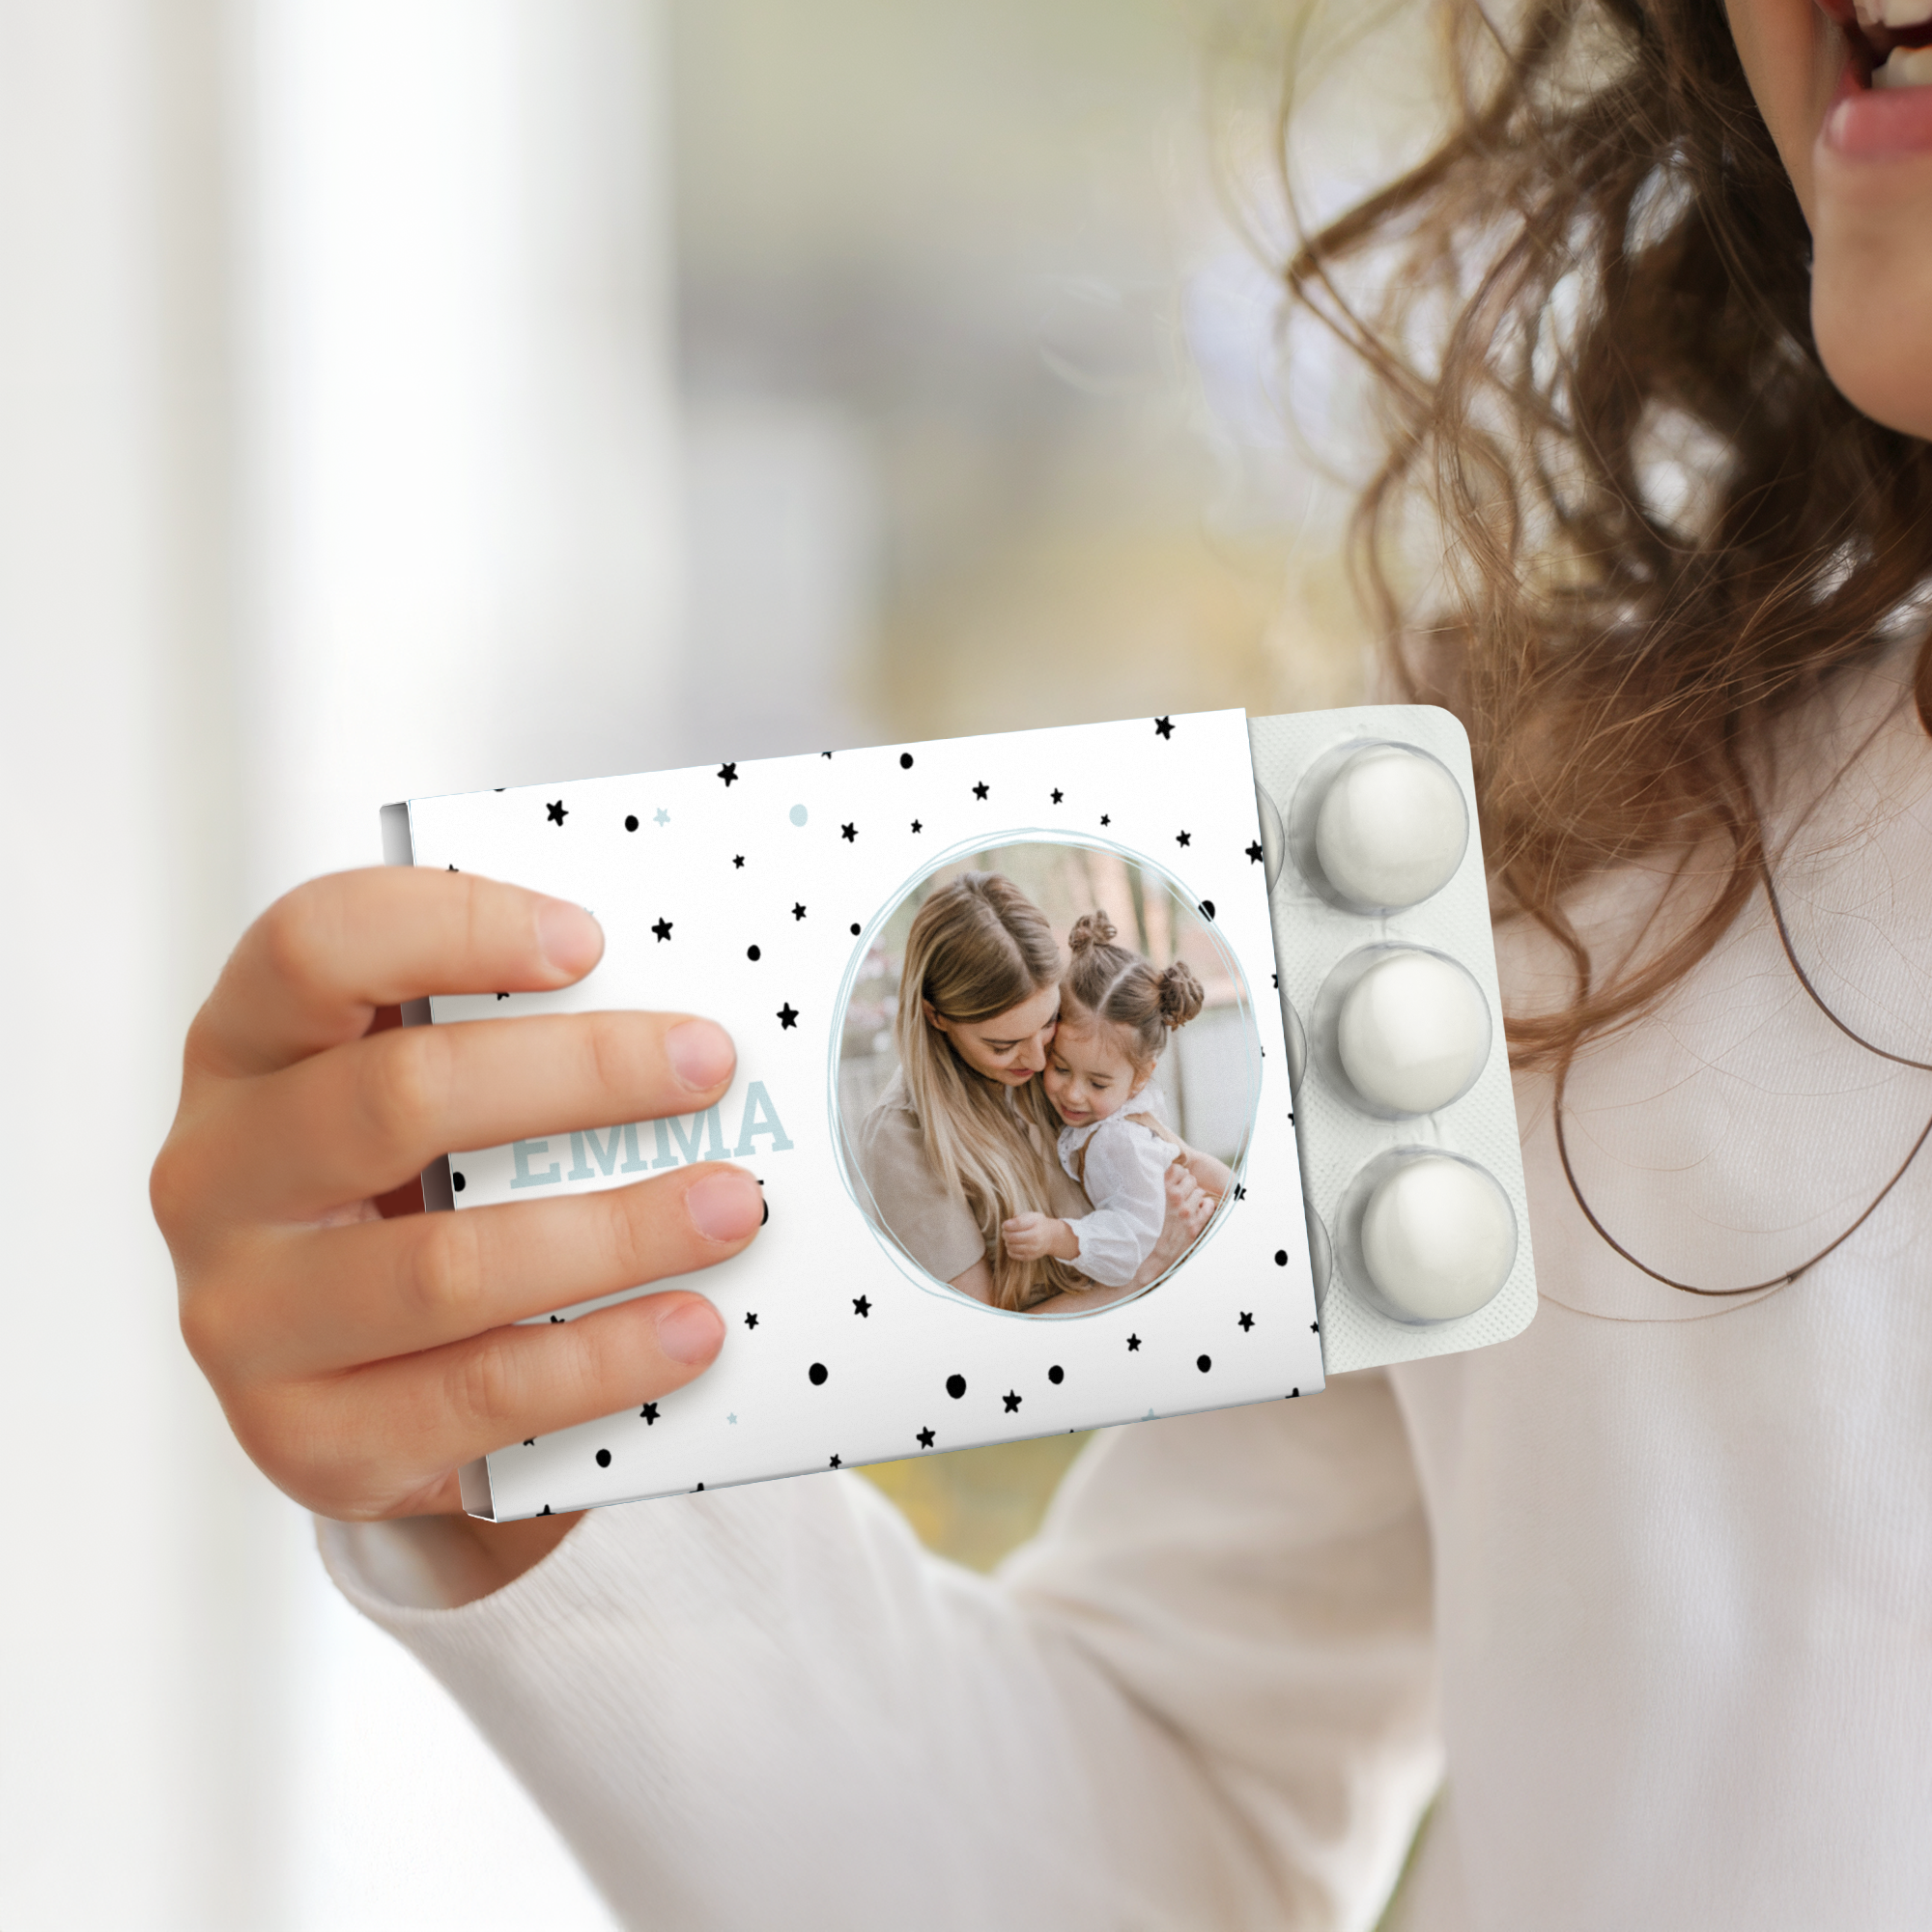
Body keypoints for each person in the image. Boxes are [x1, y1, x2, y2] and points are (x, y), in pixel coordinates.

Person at [150, 0, 1932, 1922]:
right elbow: (1173, 1819)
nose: (1050, 1081)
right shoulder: (1562, 908)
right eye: (1028, 1061)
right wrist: (533, 1442)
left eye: (1055, 1060)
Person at [850, 872, 1212, 1313]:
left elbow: (1191, 1165)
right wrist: (1151, 1265)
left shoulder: (1067, 1066)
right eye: (1002, 1045)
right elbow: (987, 1342)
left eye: (1047, 1023)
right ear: (936, 1016)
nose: (1040, 1064)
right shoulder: (901, 1137)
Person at [1003, 911, 1230, 1288]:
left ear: (1140, 1078)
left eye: (1097, 1083)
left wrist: (1054, 1236)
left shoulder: (1116, 1141)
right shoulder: (1121, 1113)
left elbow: (1131, 1243)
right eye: (1060, 1068)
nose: (1073, 1094)